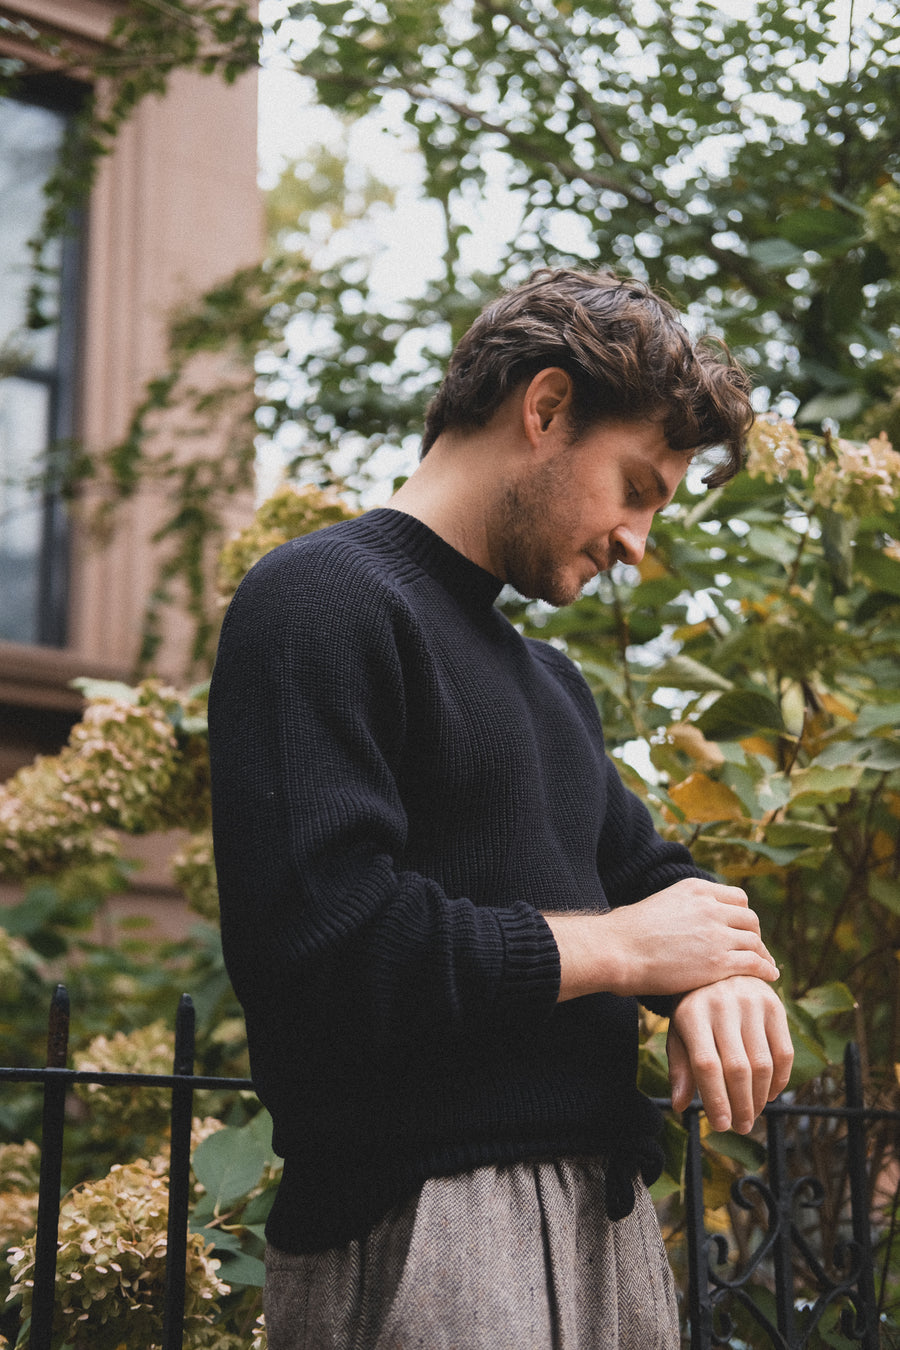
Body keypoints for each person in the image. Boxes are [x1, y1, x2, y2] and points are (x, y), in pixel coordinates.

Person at [208, 267, 794, 1349]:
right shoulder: (320, 601)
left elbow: (657, 877)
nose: (635, 544)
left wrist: (722, 972)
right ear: (547, 408)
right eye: (636, 488)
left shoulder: (548, 686)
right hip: (432, 1232)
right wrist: (623, 952)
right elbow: (328, 950)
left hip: (606, 1237)